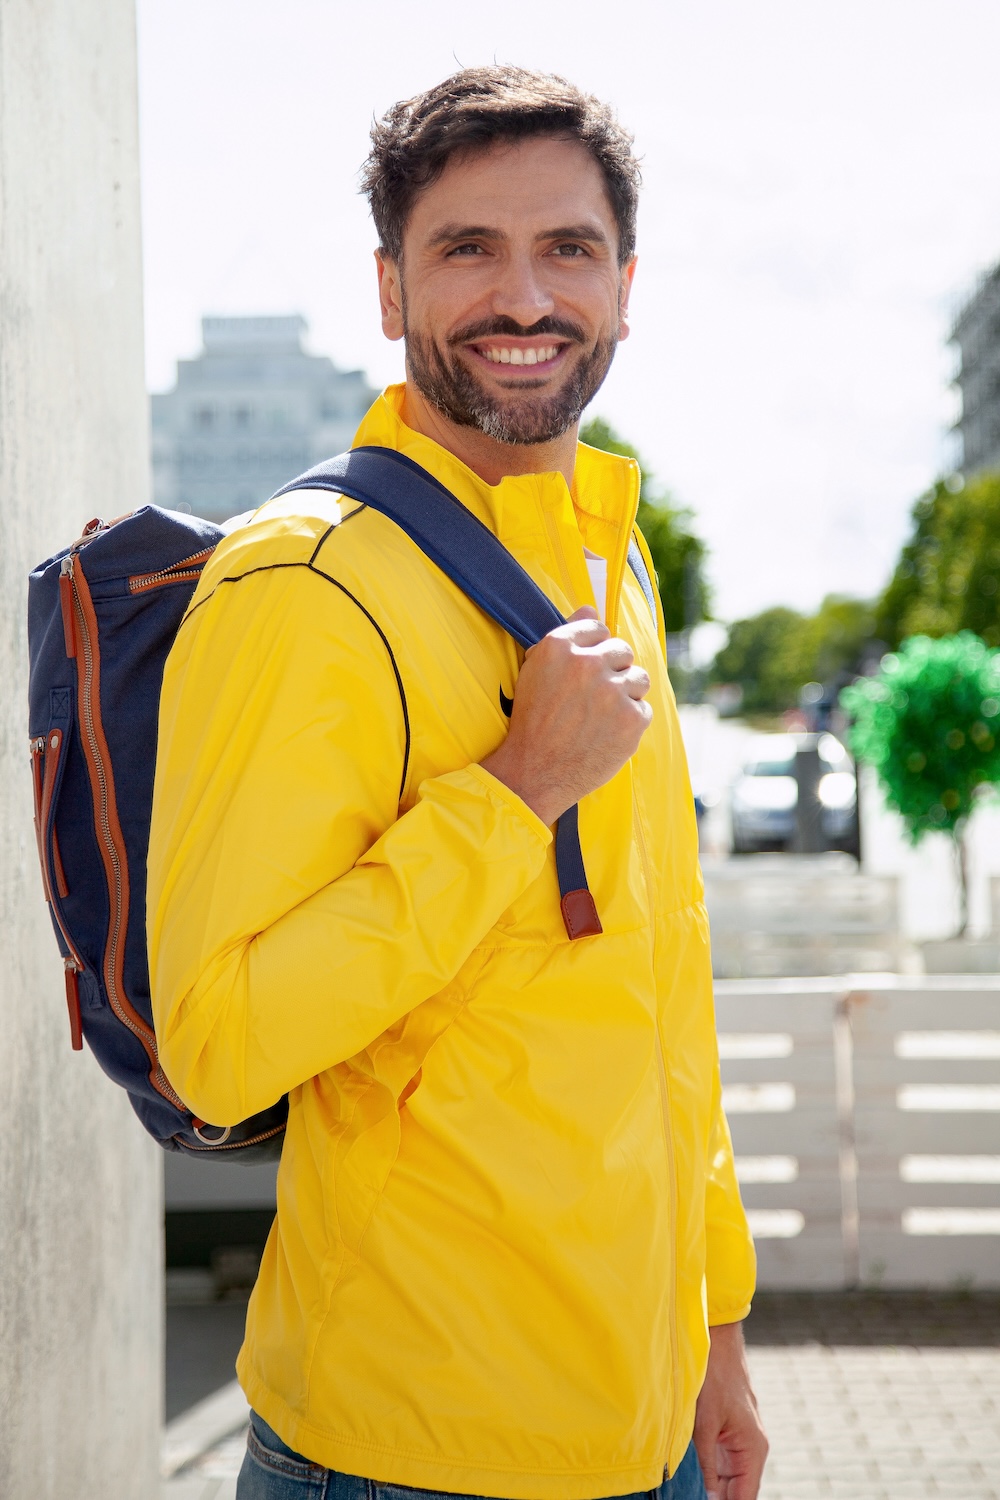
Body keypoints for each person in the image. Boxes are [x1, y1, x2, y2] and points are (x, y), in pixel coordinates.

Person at [148, 66, 767, 1500]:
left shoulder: (610, 561)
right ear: (391, 288)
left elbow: (664, 996)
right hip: (406, 1448)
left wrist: (716, 1328)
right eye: (468, 248)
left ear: (624, 285)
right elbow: (219, 1040)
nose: (525, 298)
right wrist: (512, 792)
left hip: (646, 1419)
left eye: (568, 248)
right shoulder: (303, 583)